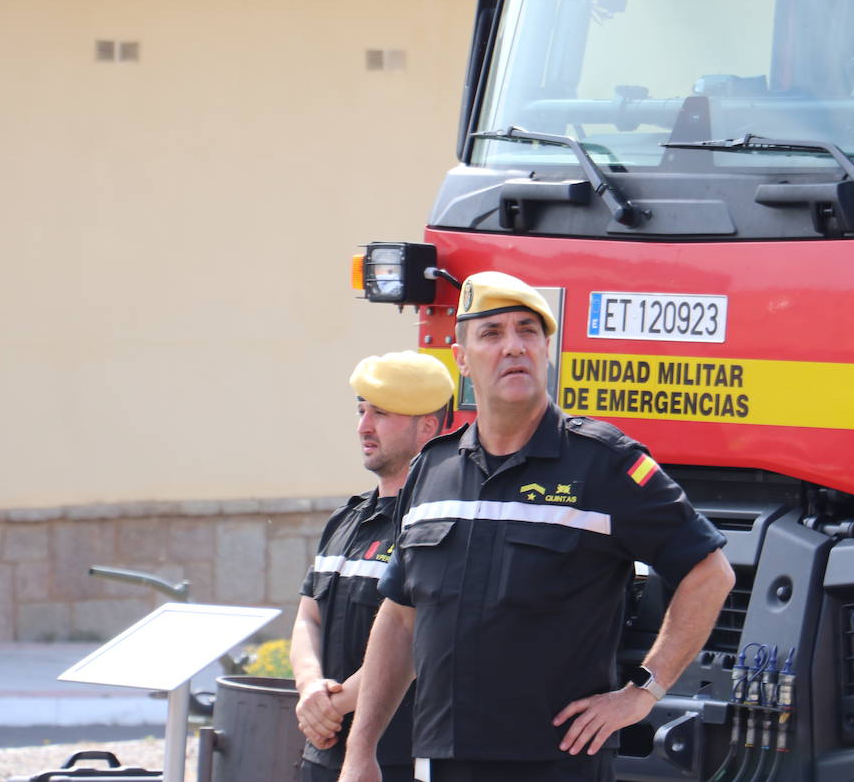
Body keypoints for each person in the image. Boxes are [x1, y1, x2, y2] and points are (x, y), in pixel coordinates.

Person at [337, 271, 736, 782]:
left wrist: (643, 692)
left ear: (547, 349)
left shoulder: (605, 463)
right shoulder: (431, 470)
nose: (513, 347)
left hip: (556, 764)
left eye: (527, 331)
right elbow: (399, 618)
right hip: (439, 760)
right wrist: (361, 748)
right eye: (491, 334)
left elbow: (710, 572)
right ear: (461, 358)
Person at [292, 351, 455, 782]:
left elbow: (416, 638)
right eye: (362, 411)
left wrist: (331, 705)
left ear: (427, 426)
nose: (363, 426)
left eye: (381, 414)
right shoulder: (345, 520)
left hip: (396, 761)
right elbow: (308, 616)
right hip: (322, 751)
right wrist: (310, 689)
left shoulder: (436, 523)